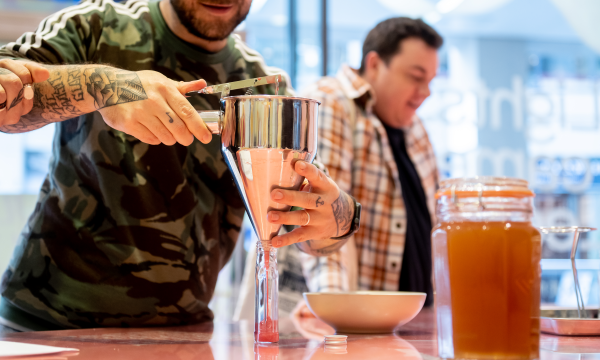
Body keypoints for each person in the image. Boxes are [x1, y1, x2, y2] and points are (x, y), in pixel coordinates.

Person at [0, 0, 357, 332]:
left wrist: (338, 216)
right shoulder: (95, 27)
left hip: (181, 332)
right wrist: (105, 86)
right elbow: (7, 92)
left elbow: (311, 226)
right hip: (45, 323)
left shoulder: (262, 83)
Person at [297, 17, 443, 308]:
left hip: (413, 321)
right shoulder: (332, 101)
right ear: (374, 64)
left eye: (429, 81)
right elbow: (324, 216)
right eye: (416, 77)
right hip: (361, 324)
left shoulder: (415, 128)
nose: (426, 92)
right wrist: (332, 309)